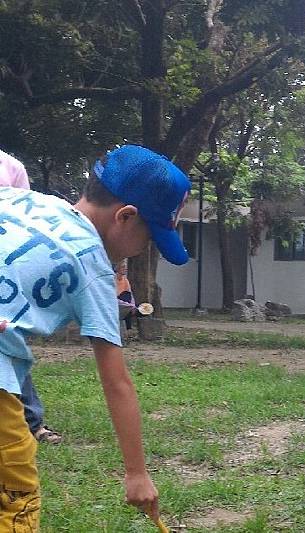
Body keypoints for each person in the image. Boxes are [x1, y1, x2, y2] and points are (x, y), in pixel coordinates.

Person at [0, 144, 191, 530]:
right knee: (13, 502)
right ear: (126, 216)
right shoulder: (93, 266)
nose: (143, 250)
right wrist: (137, 473)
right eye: (149, 239)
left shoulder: (20, 199)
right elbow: (116, 381)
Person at [0, 148, 63, 445]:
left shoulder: (11, 167)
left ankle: (32, 421)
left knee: (8, 340)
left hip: (4, 267)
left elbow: (21, 220)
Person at [115, 259, 136, 330]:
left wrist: (133, 305)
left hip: (125, 302)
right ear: (117, 268)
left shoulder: (125, 280)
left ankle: (129, 327)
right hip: (116, 302)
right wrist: (129, 305)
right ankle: (128, 327)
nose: (126, 269)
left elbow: (130, 294)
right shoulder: (112, 280)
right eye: (123, 267)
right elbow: (113, 298)